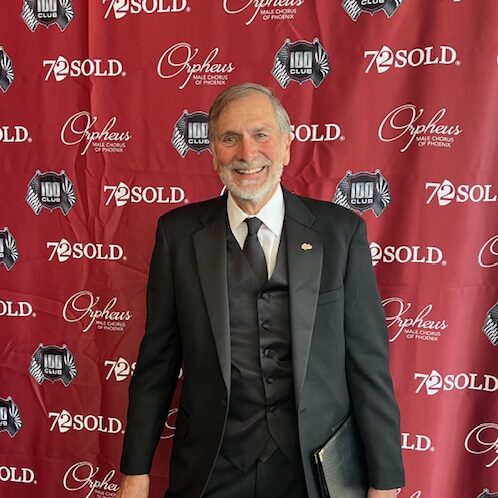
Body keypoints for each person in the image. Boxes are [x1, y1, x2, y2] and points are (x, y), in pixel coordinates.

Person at [116, 83, 405, 498]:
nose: (247, 154)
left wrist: (385, 480)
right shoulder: (177, 235)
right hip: (213, 466)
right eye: (229, 138)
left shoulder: (340, 233)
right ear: (213, 150)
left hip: (316, 471)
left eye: (261, 135)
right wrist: (135, 471)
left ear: (287, 145)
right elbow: (157, 362)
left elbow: (368, 364)